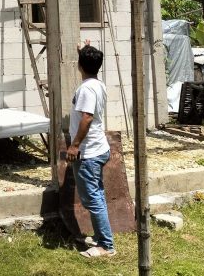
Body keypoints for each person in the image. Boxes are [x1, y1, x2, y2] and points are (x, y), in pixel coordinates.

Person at [66, 41, 115, 258]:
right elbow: (88, 64)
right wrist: (83, 51)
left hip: (89, 152)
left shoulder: (86, 88)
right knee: (97, 195)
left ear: (80, 65)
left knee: (93, 198)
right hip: (98, 148)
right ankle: (99, 237)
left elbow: (86, 117)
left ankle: (105, 245)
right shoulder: (97, 83)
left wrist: (74, 145)